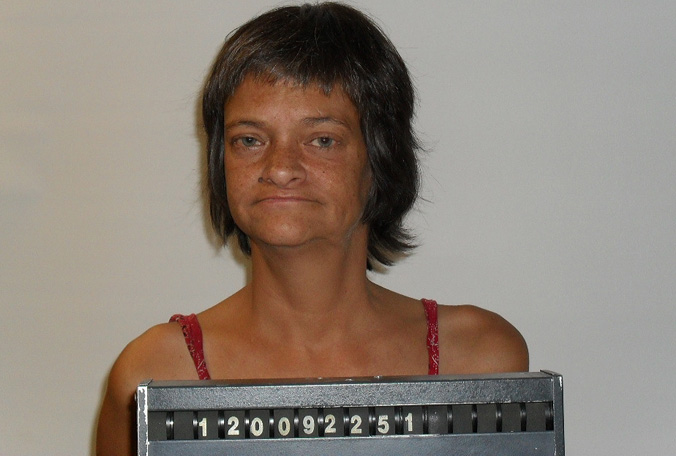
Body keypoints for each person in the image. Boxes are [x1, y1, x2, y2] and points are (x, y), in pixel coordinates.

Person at [95, 2, 528, 454]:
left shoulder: (479, 361)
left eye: (322, 140)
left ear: (381, 157)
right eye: (249, 140)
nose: (280, 168)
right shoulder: (155, 375)